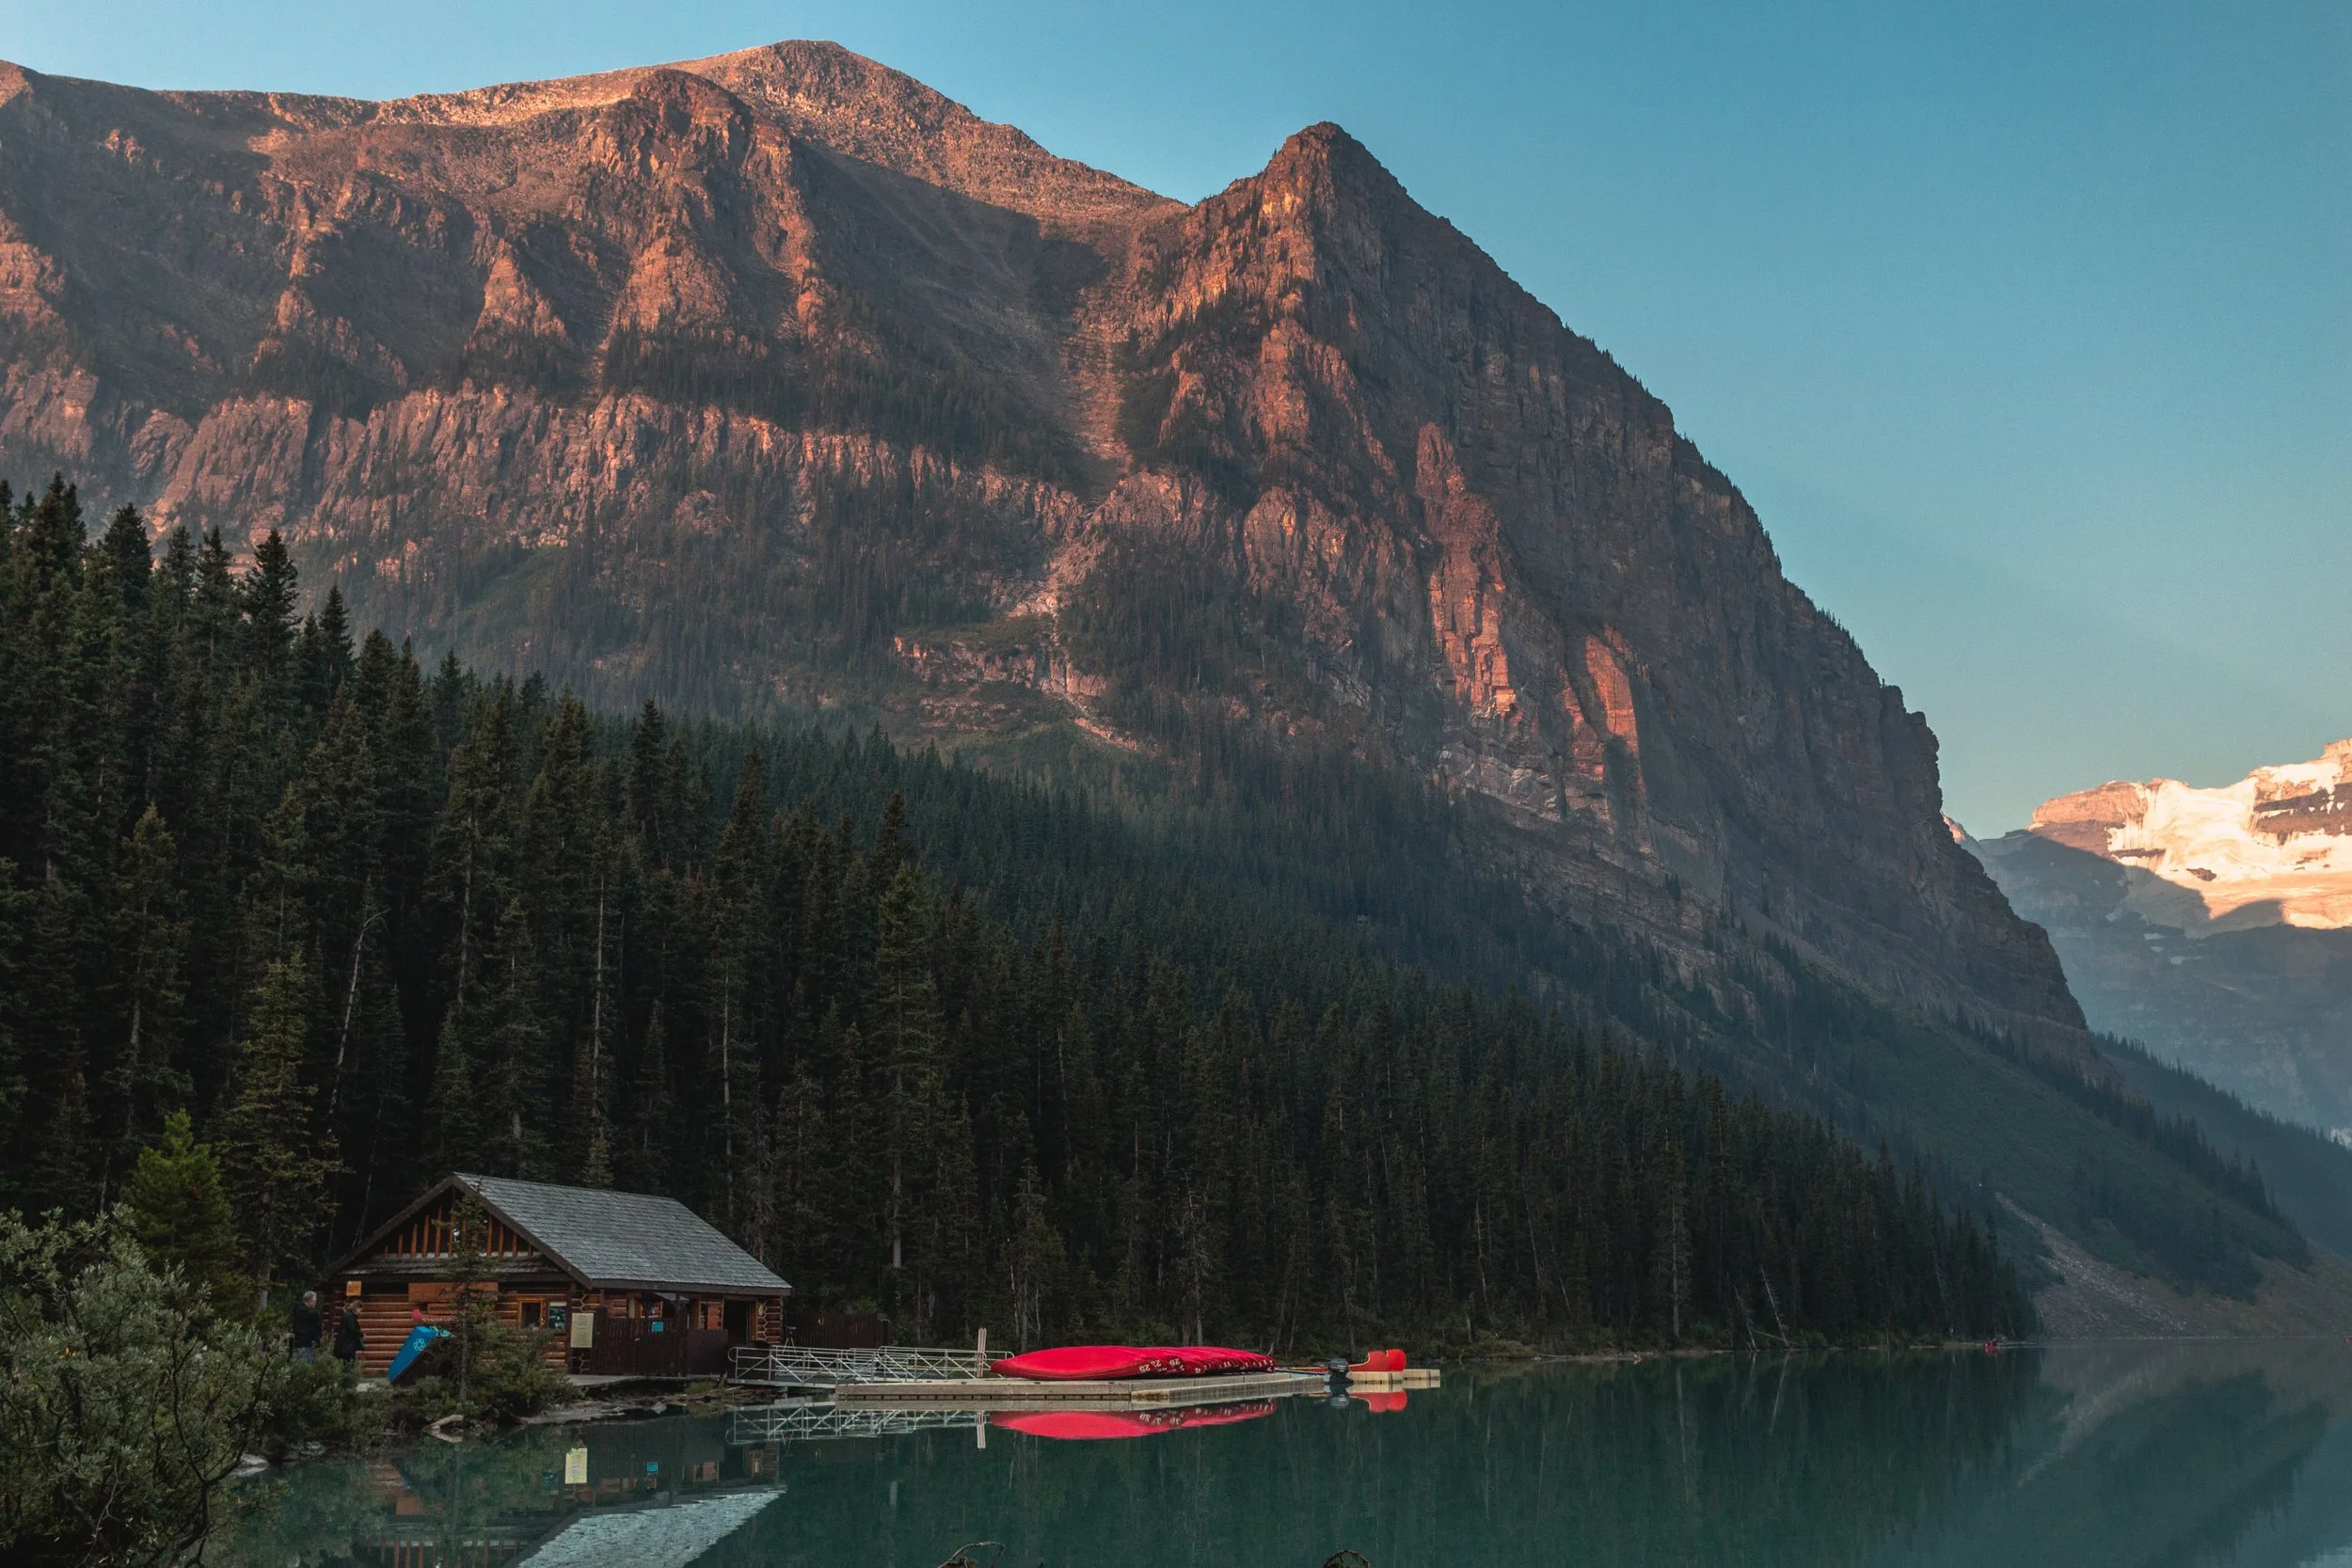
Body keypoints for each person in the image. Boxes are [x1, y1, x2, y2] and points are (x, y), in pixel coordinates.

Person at [290, 1290, 323, 1363]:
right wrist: (318, 1339)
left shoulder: (297, 1309)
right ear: (310, 1300)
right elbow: (315, 1328)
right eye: (315, 1301)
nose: (315, 1303)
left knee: (297, 1364)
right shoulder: (312, 1314)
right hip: (307, 1342)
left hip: (298, 1341)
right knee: (308, 1364)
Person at [333, 1301, 364, 1370]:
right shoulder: (351, 1316)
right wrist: (361, 1334)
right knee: (349, 1365)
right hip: (347, 1345)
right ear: (356, 1308)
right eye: (360, 1309)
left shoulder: (349, 1315)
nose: (360, 1311)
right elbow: (352, 1329)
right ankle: (347, 1379)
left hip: (345, 1345)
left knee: (347, 1365)